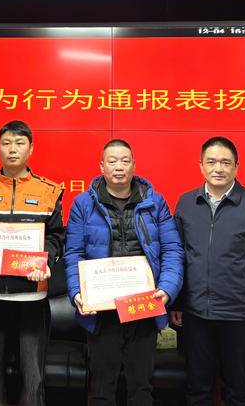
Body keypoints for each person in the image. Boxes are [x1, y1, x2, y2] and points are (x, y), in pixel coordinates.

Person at [64, 139, 183, 406]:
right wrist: (77, 293)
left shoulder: (154, 202)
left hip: (143, 306)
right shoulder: (83, 204)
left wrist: (167, 289)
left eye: (125, 161)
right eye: (113, 161)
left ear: (134, 165)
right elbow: (73, 253)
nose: (119, 167)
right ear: (102, 167)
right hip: (102, 311)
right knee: (102, 389)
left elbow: (172, 250)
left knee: (141, 388)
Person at [0, 120, 65, 406]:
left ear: (31, 149)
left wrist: (46, 260)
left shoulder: (49, 191)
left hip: (32, 295)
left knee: (34, 377)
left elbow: (56, 236)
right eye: (6, 143)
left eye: (19, 143)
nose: (13, 149)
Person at [171, 136, 245, 406]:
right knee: (197, 390)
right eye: (211, 162)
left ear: (236, 167)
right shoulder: (186, 203)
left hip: (239, 315)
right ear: (201, 166)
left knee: (240, 392)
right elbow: (178, 257)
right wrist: (178, 303)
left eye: (225, 162)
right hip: (195, 314)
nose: (218, 168)